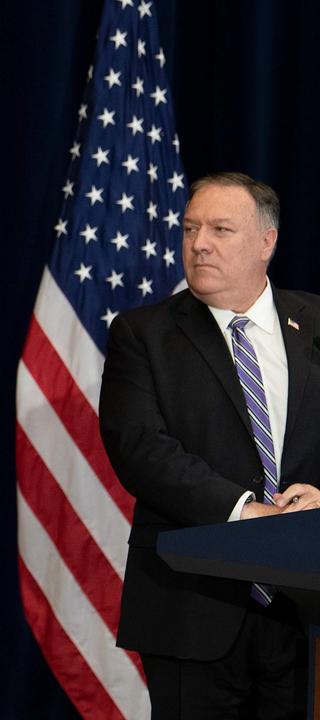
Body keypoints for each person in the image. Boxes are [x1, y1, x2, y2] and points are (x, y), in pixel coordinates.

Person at [100, 172, 320, 718]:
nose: (199, 244)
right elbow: (141, 450)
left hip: (305, 614)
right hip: (191, 608)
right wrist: (249, 512)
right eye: (191, 228)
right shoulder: (142, 334)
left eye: (221, 229)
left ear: (266, 242)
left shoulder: (315, 323)